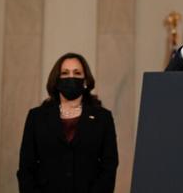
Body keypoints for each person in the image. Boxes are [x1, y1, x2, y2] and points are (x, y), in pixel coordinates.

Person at [17, 53, 118, 193]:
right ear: (57, 80)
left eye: (77, 73)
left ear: (85, 80)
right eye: (65, 73)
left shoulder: (103, 118)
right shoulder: (36, 117)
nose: (71, 77)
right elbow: (26, 168)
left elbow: (109, 167)